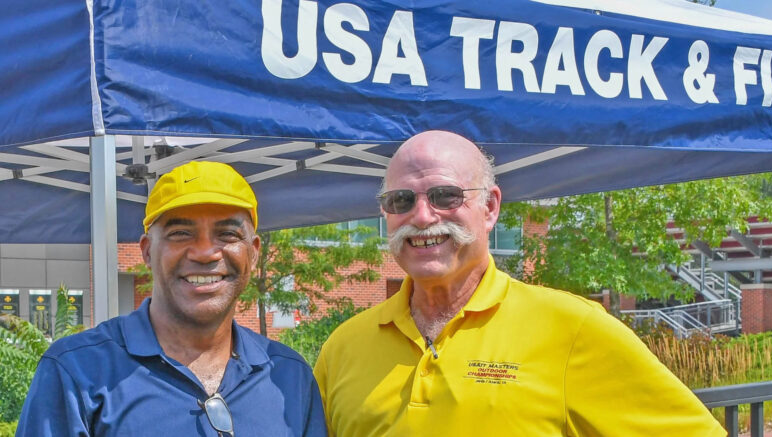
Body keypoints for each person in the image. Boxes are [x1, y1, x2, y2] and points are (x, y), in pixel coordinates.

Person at [313, 130, 725, 437]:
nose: (422, 216)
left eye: (445, 196)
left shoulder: (572, 328)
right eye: (401, 200)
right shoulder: (343, 348)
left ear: (490, 206)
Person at [17, 161, 326, 437]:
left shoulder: (289, 376)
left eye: (228, 234)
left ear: (254, 252)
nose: (205, 252)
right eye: (181, 233)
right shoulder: (76, 371)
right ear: (147, 251)